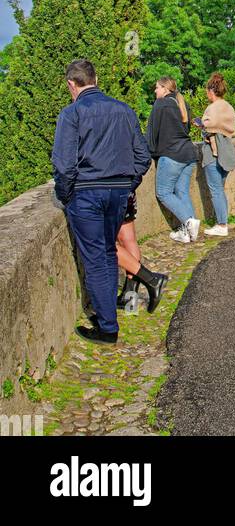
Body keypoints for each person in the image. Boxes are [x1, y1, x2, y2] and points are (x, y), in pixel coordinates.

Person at [51, 58, 152, 345]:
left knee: (96, 259)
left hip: (86, 194)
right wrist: (126, 184)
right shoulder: (124, 110)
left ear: (72, 84)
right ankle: (108, 315)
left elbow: (63, 164)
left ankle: (108, 327)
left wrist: (66, 194)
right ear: (95, 79)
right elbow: (143, 158)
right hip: (118, 193)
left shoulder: (71, 114)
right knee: (108, 253)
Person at [146, 77, 200, 243]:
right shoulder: (182, 103)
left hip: (172, 155)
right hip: (189, 153)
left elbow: (152, 132)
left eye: (156, 88)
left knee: (163, 193)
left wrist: (150, 152)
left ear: (164, 89)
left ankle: (189, 221)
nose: (155, 91)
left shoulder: (161, 104)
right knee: (181, 192)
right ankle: (189, 233)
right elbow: (186, 129)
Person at [196, 72, 235, 238]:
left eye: (207, 91)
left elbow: (209, 125)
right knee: (220, 189)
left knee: (216, 190)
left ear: (210, 91)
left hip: (213, 154)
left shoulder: (213, 108)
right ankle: (223, 221)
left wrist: (200, 123)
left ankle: (221, 225)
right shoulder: (229, 107)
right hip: (226, 152)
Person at [116, 190, 168, 313]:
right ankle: (129, 299)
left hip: (103, 189)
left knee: (103, 244)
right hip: (125, 186)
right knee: (128, 239)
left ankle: (152, 280)